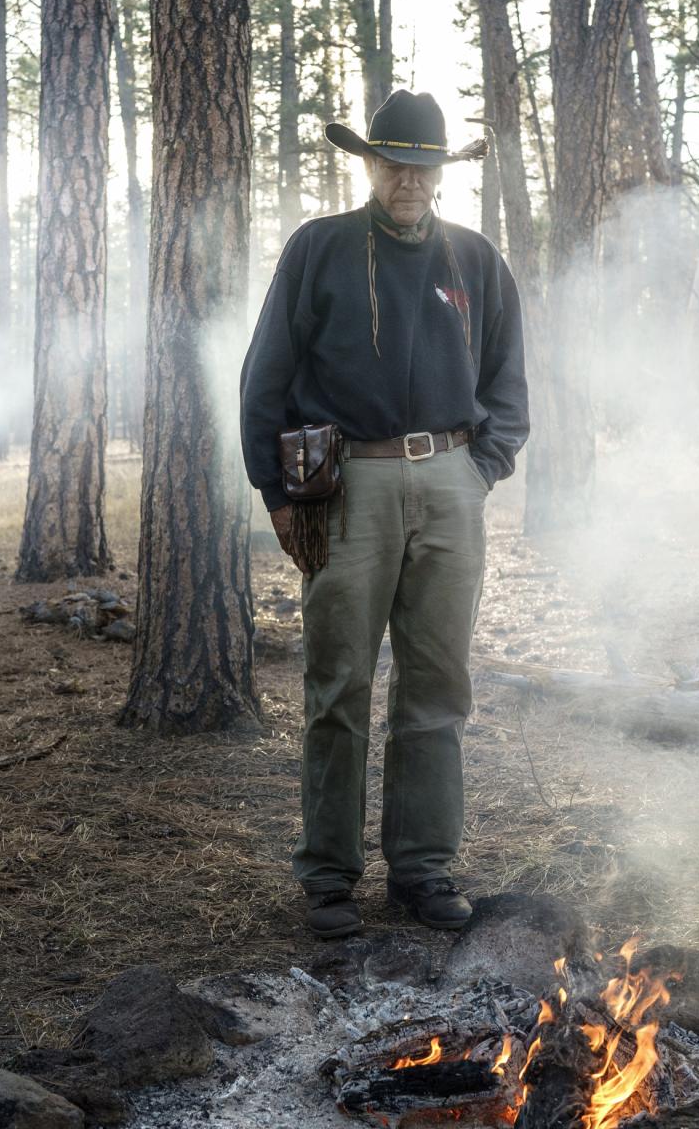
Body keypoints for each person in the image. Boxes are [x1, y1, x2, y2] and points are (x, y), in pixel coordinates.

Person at [239, 90, 530, 939]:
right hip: (348, 484)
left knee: (438, 686)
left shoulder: (475, 260)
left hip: (449, 482)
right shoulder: (319, 250)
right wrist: (278, 493)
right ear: (369, 163)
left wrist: (480, 468)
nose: (408, 178)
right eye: (393, 161)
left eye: (422, 165)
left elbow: (508, 379)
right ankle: (329, 876)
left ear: (442, 173)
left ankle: (423, 867)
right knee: (338, 684)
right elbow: (265, 379)